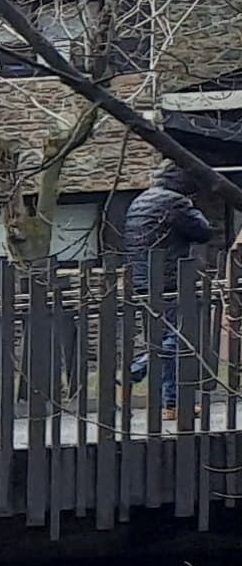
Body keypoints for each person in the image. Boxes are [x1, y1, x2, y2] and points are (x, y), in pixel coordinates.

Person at [123, 160, 219, 406]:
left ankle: (168, 400)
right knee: (178, 337)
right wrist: (194, 207)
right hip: (171, 279)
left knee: (166, 337)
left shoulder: (141, 200)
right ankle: (141, 374)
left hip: (144, 279)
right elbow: (203, 231)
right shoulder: (175, 201)